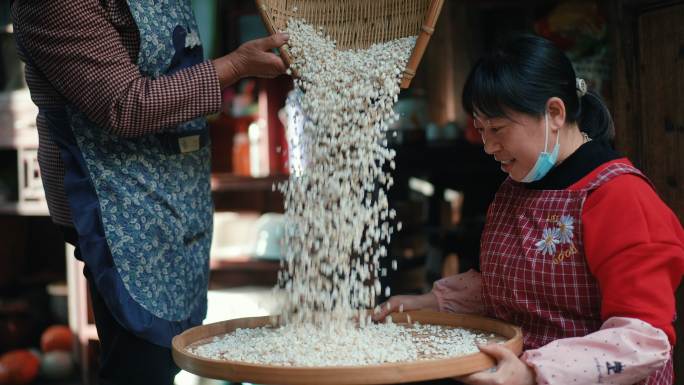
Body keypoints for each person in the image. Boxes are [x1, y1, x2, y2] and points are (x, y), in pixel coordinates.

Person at [375, 34, 684, 385]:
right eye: (480, 129)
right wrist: (430, 303)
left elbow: (642, 339)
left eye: (498, 128)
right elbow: (509, 288)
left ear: (554, 113)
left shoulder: (619, 197)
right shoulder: (514, 190)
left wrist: (534, 372)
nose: (489, 146)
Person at [11, 1, 288, 384]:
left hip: (177, 187)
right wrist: (236, 66)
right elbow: (124, 105)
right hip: (115, 197)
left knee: (170, 348)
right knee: (140, 365)